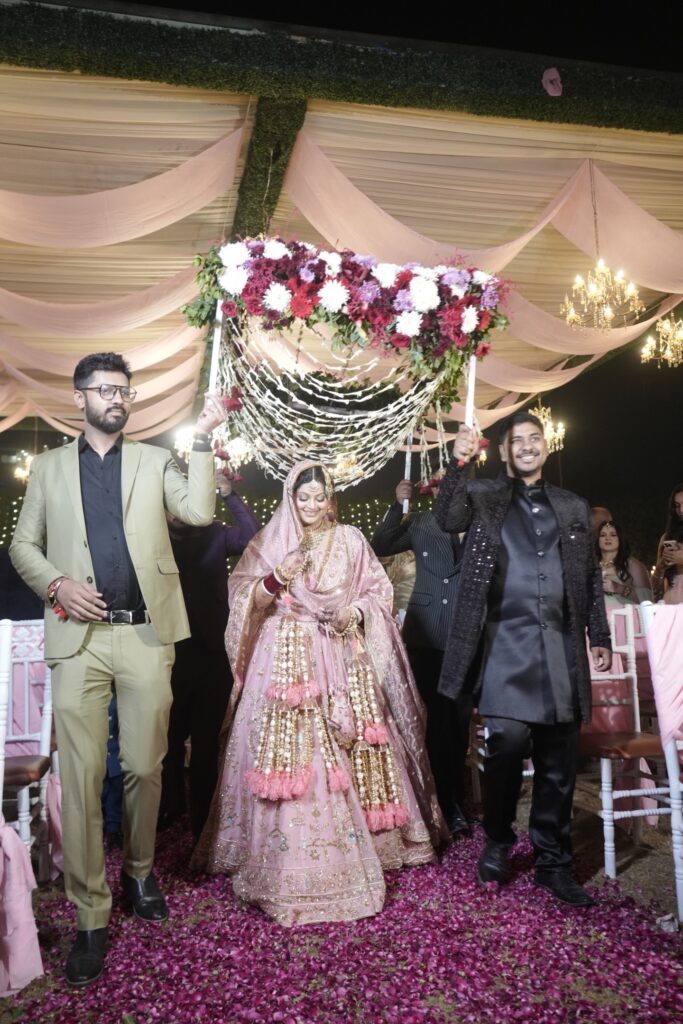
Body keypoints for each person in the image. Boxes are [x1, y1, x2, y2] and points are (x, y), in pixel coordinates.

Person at [9, 352, 222, 986]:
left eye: (124, 390)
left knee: (144, 766)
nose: (117, 399)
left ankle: (138, 870)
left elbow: (199, 512)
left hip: (146, 636)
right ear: (80, 398)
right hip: (78, 637)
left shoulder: (156, 462)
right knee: (79, 776)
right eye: (105, 390)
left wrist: (204, 439)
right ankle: (89, 914)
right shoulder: (47, 469)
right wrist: (56, 584)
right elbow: (23, 544)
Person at [192, 460, 448, 925]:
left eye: (319, 497)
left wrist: (354, 612)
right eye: (302, 497)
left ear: (331, 499)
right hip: (285, 659)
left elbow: (378, 590)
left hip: (341, 650)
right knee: (288, 752)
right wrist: (276, 578)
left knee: (358, 742)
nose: (311, 506)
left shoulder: (350, 538)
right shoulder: (271, 541)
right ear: (290, 498)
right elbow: (243, 595)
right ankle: (282, 849)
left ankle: (373, 840)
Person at [434, 412, 611, 907]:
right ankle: (497, 839)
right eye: (518, 440)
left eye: (536, 439)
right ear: (505, 451)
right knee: (506, 742)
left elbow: (591, 577)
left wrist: (598, 631)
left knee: (559, 757)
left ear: (545, 448)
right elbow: (446, 518)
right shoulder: (485, 495)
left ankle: (552, 861)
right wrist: (458, 464)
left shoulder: (572, 505)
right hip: (503, 644)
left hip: (558, 645)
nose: (528, 446)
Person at [159, 472, 259, 838]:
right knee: (166, 740)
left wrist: (231, 494)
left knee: (206, 742)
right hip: (167, 651)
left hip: (212, 652)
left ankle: (205, 817)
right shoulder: (152, 535)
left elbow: (251, 534)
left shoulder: (216, 532)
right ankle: (171, 807)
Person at [371, 476, 473, 836]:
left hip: (466, 638)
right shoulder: (420, 521)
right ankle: (432, 803)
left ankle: (455, 802)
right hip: (426, 635)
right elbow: (381, 544)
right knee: (430, 723)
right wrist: (397, 506)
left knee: (458, 726)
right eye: (449, 492)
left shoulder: (481, 525)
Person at [595, 519, 652, 607]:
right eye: (603, 535)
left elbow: (647, 600)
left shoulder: (633, 565)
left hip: (623, 616)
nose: (607, 538)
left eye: (613, 535)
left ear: (620, 538)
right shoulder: (591, 564)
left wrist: (618, 588)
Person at [653, 484, 683, 604]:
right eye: (677, 506)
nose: (681, 510)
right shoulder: (667, 537)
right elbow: (655, 586)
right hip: (672, 597)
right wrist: (661, 567)